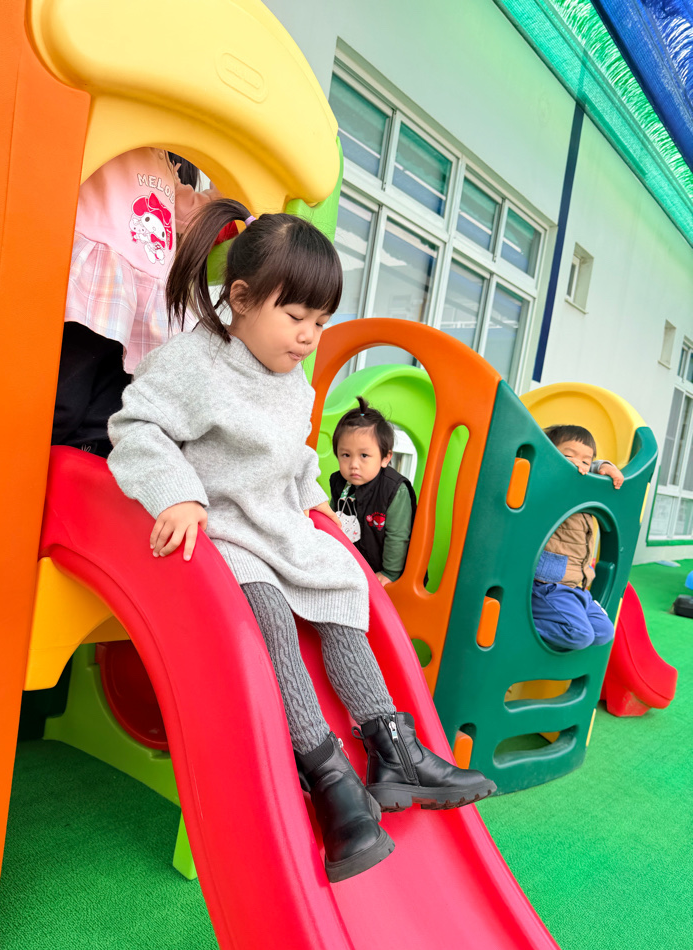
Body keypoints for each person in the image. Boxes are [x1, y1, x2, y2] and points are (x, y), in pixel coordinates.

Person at [106, 198, 496, 883]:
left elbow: (295, 457)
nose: (310, 336)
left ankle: (393, 751)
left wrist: (319, 508)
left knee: (346, 591)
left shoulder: (293, 378)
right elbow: (136, 427)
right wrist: (178, 493)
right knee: (271, 621)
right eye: (295, 317)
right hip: (224, 529)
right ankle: (326, 773)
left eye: (321, 321)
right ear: (241, 299)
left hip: (280, 524)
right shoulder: (197, 362)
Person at [52, 149, 222, 457]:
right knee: (64, 400)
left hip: (141, 306)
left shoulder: (163, 162)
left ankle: (79, 465)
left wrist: (226, 184)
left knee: (107, 413)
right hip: (101, 284)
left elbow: (194, 215)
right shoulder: (118, 139)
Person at [532, 424, 624, 651]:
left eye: (585, 461)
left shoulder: (586, 491)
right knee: (580, 635)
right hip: (549, 585)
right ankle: (520, 623)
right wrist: (563, 468)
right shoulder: (547, 483)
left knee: (604, 632)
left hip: (578, 587)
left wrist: (603, 467)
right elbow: (541, 466)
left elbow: (595, 470)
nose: (578, 464)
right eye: (568, 456)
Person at [329, 397, 416, 587]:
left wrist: (390, 573)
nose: (354, 464)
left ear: (385, 458)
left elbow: (398, 535)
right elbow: (332, 521)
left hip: (385, 574)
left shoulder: (394, 489)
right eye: (346, 455)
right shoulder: (338, 483)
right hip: (351, 568)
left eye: (364, 455)